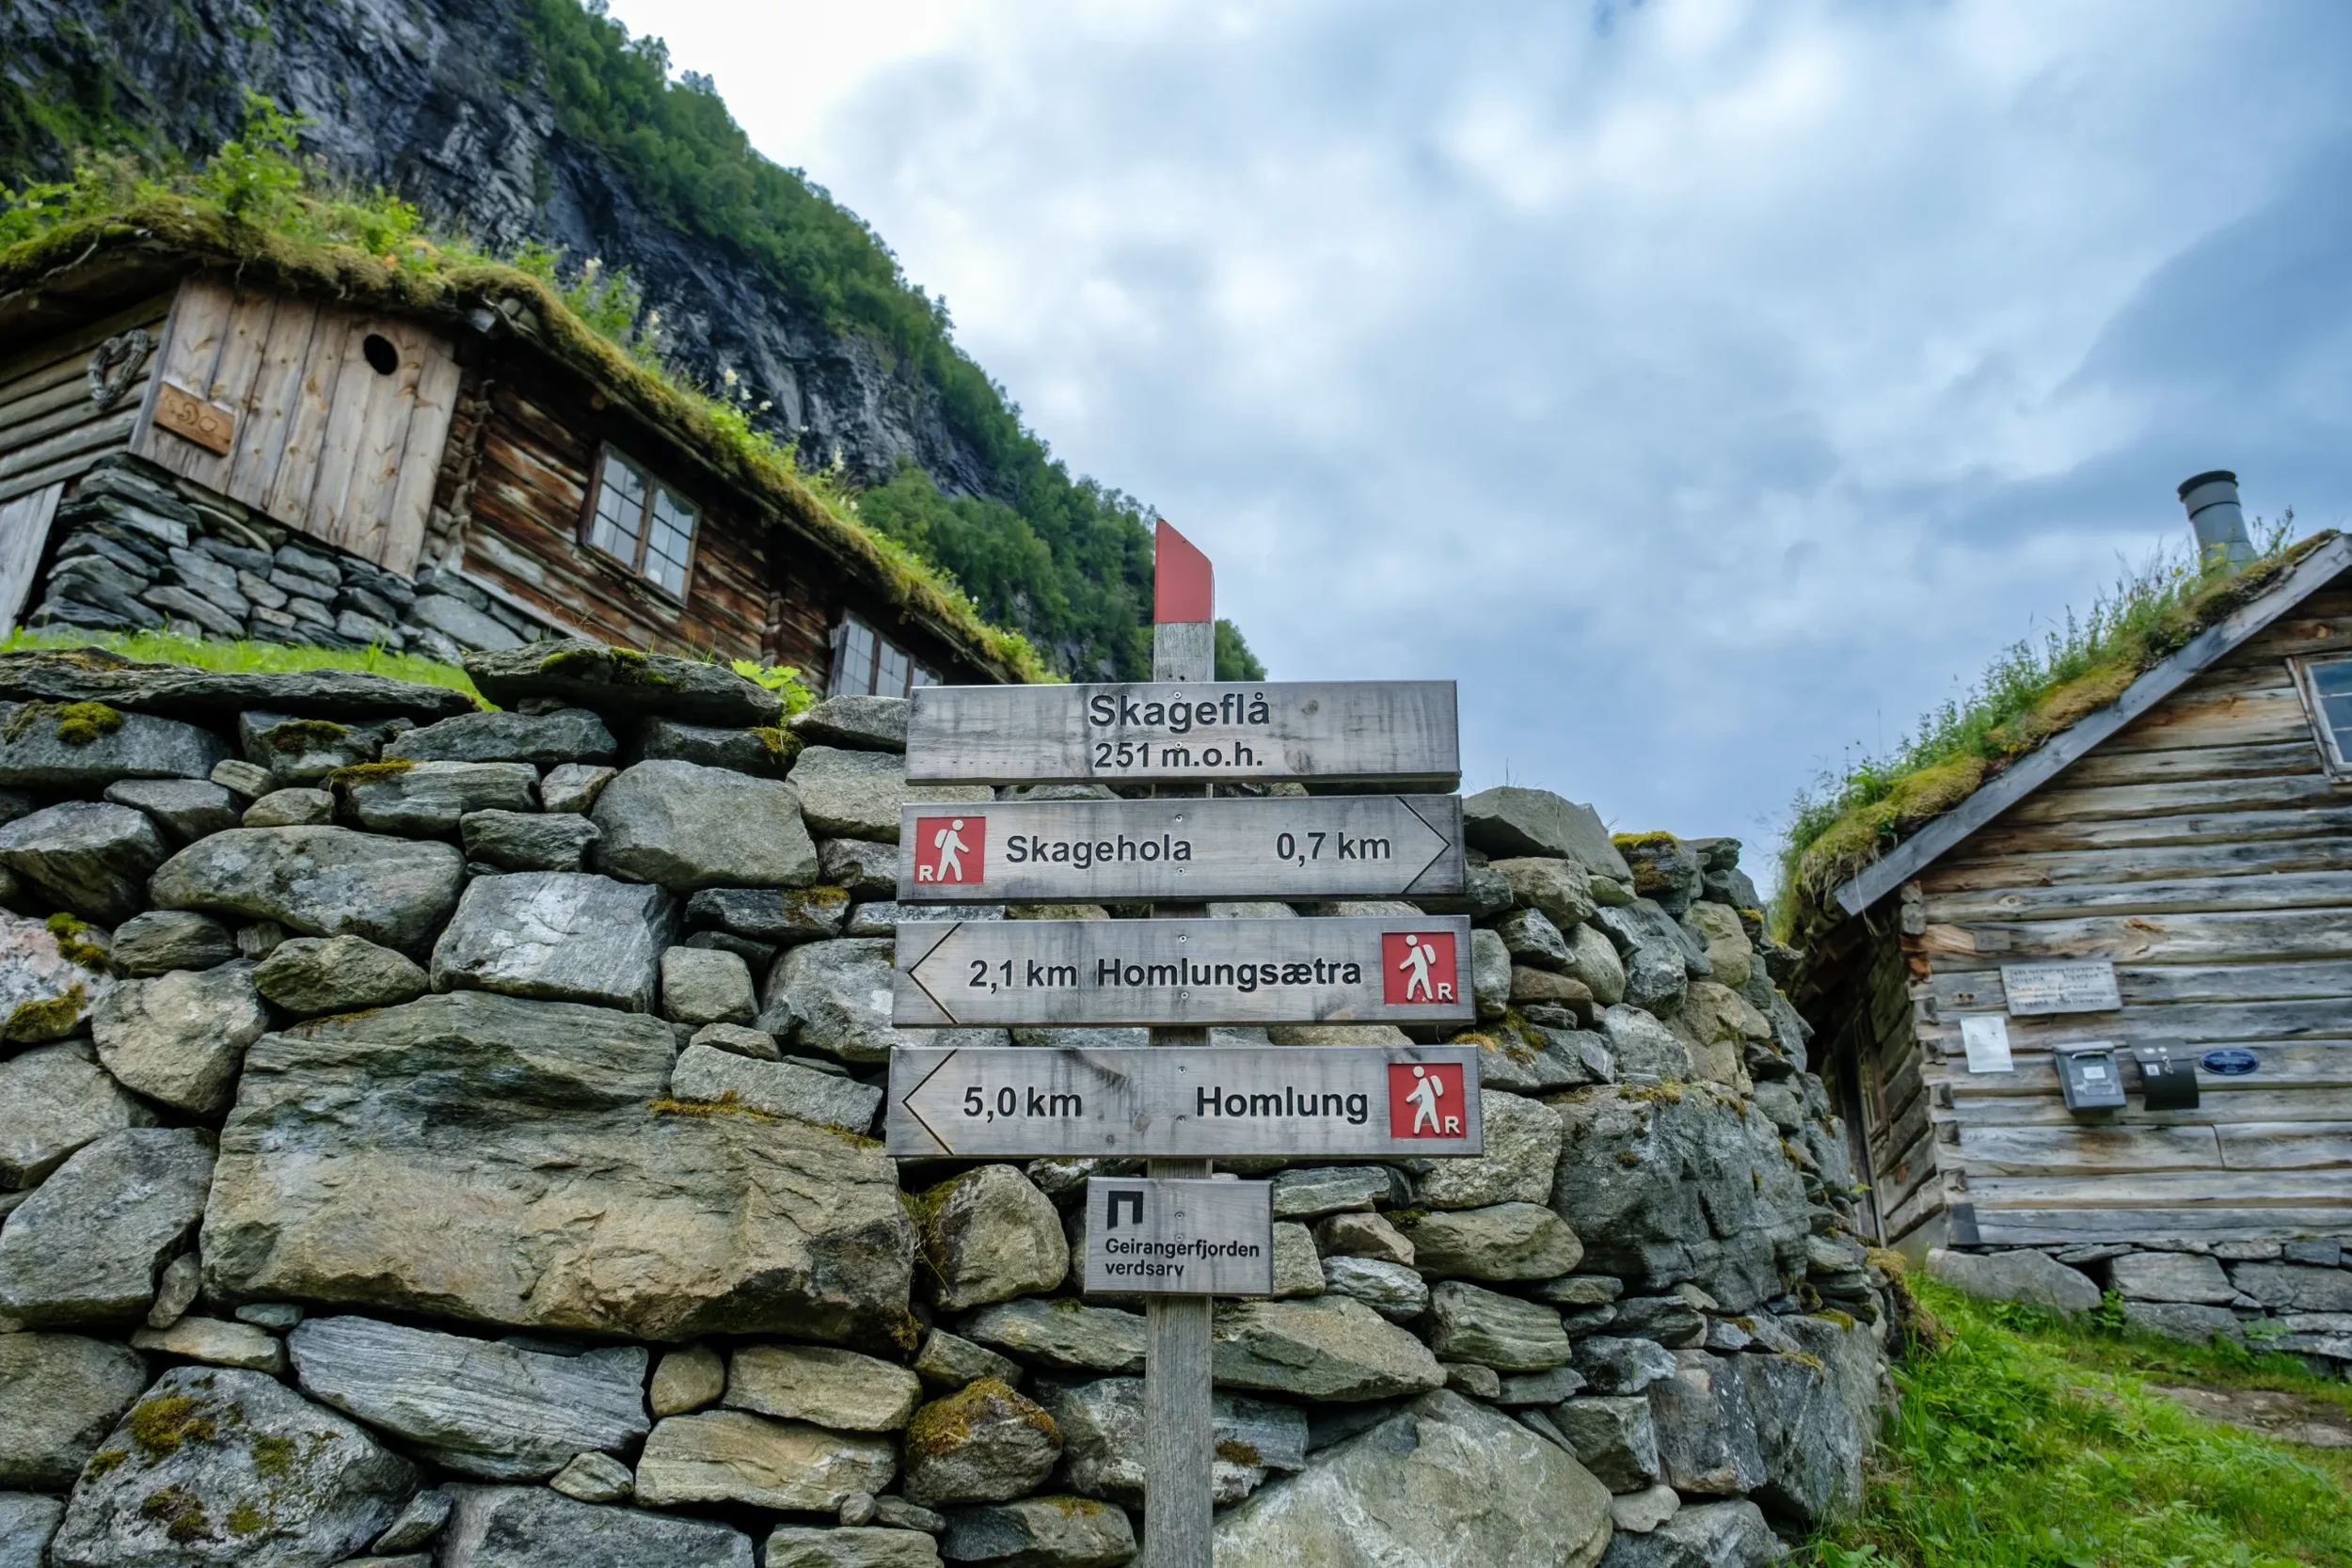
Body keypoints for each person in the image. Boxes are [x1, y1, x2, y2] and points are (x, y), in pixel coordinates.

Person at [1404, 1064, 1445, 1135]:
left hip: (1427, 1103)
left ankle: (1417, 1131)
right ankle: (1437, 1130)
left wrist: (1408, 1099)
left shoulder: (1423, 1083)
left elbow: (1416, 1093)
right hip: (1430, 1102)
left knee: (1419, 1116)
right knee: (1432, 1116)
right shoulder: (1425, 1082)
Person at [1397, 933, 1437, 1001]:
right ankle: (1429, 996)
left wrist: (1402, 966)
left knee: (1413, 982)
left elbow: (1411, 960)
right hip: (1422, 968)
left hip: (1420, 969)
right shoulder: (1418, 949)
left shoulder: (1416, 950)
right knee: (1425, 982)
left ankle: (1410, 996)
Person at [932, 818, 970, 882]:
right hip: (949, 853)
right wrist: (965, 849)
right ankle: (958, 878)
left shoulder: (945, 832)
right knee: (956, 865)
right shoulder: (953, 833)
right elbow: (957, 843)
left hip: (945, 852)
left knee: (944, 865)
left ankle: (939, 878)